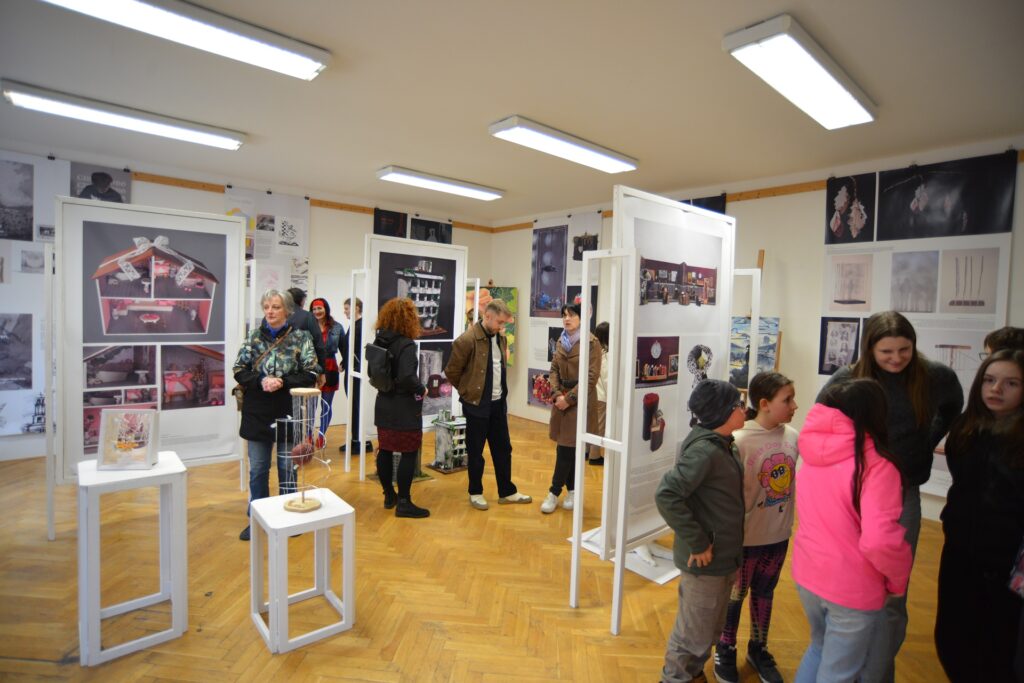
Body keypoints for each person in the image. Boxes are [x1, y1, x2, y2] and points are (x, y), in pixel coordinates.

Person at [818, 310, 962, 681]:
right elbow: (822, 421)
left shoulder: (934, 377)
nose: (897, 358)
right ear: (870, 349)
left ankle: (879, 672)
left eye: (904, 350)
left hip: (903, 491)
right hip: (856, 491)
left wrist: (927, 440)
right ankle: (850, 659)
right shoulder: (849, 378)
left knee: (893, 590)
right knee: (852, 583)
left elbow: (952, 407)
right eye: (887, 352)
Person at [793, 378, 912, 682]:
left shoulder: (814, 454)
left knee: (818, 648)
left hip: (808, 573)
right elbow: (879, 541)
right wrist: (897, 580)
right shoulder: (876, 465)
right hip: (851, 586)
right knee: (840, 672)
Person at [935, 349, 1024, 681]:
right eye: (989, 379)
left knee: (998, 647)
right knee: (952, 638)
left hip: (1006, 561)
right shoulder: (967, 426)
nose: (996, 389)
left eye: (1011, 383)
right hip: (960, 549)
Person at [654, 379, 746, 683]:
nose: (744, 409)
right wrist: (698, 542)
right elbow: (667, 495)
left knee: (708, 628)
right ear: (723, 413)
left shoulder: (724, 443)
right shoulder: (706, 451)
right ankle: (675, 678)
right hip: (706, 561)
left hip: (722, 558)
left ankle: (692, 673)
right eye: (738, 405)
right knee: (692, 634)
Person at [714, 372, 799, 683]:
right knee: (735, 595)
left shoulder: (793, 437)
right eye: (787, 400)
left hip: (778, 535)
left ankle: (758, 648)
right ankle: (725, 648)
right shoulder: (739, 440)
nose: (795, 405)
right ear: (764, 404)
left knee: (765, 592)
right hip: (745, 539)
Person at [233, 289, 320, 541]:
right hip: (257, 410)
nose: (270, 312)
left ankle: (289, 516)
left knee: (287, 467)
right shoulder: (253, 337)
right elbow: (239, 369)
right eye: (267, 307)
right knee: (258, 469)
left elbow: (311, 372)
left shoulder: (301, 338)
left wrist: (282, 381)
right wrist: (261, 381)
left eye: (276, 307)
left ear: (287, 311)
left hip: (288, 410)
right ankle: (257, 519)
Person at [445, 299, 532, 510]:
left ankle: (507, 491)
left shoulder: (500, 338)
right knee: (476, 452)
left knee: (503, 449)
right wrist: (468, 392)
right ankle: (475, 492)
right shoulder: (467, 340)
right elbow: (452, 372)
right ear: (487, 316)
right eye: (499, 322)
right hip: (476, 405)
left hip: (498, 404)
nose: (502, 326)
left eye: (504, 323)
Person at [372, 297, 430, 518]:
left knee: (385, 449)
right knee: (408, 452)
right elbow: (407, 376)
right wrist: (421, 388)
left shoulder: (379, 340)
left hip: (383, 402)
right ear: (408, 318)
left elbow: (372, 373)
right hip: (403, 406)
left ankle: (389, 495)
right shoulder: (406, 344)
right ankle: (404, 502)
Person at [541, 303, 601, 514]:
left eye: (571, 315)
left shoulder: (592, 343)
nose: (567, 319)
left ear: (582, 318)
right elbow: (553, 370)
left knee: (565, 449)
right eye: (564, 315)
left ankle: (554, 492)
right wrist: (557, 394)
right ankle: (573, 491)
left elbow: (591, 377)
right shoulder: (561, 340)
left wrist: (570, 399)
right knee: (568, 448)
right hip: (561, 400)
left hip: (580, 402)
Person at [339, 297, 373, 454]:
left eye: (347, 308)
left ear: (357, 308)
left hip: (356, 374)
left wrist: (356, 368)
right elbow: (351, 350)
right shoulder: (355, 325)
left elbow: (362, 352)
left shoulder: (361, 326)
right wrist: (344, 363)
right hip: (351, 372)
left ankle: (362, 442)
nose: (344, 311)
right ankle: (356, 441)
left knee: (357, 408)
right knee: (353, 408)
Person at [310, 297, 343, 441]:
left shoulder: (337, 327)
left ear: (326, 309)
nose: (317, 311)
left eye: (320, 308)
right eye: (314, 309)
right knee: (310, 407)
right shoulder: (308, 326)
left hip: (330, 367)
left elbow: (345, 348)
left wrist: (345, 363)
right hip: (312, 367)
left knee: (326, 405)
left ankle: (321, 436)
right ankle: (308, 436)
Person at [286, 287, 328, 385]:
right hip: (302, 371)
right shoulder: (308, 316)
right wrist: (321, 371)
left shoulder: (270, 317)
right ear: (302, 301)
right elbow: (318, 345)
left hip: (277, 370)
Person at [588, 321, 610, 467]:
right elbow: (607, 379)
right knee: (599, 427)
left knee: (590, 425)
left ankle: (587, 452)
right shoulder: (605, 356)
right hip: (601, 397)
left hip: (592, 395)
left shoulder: (593, 352)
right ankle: (594, 456)